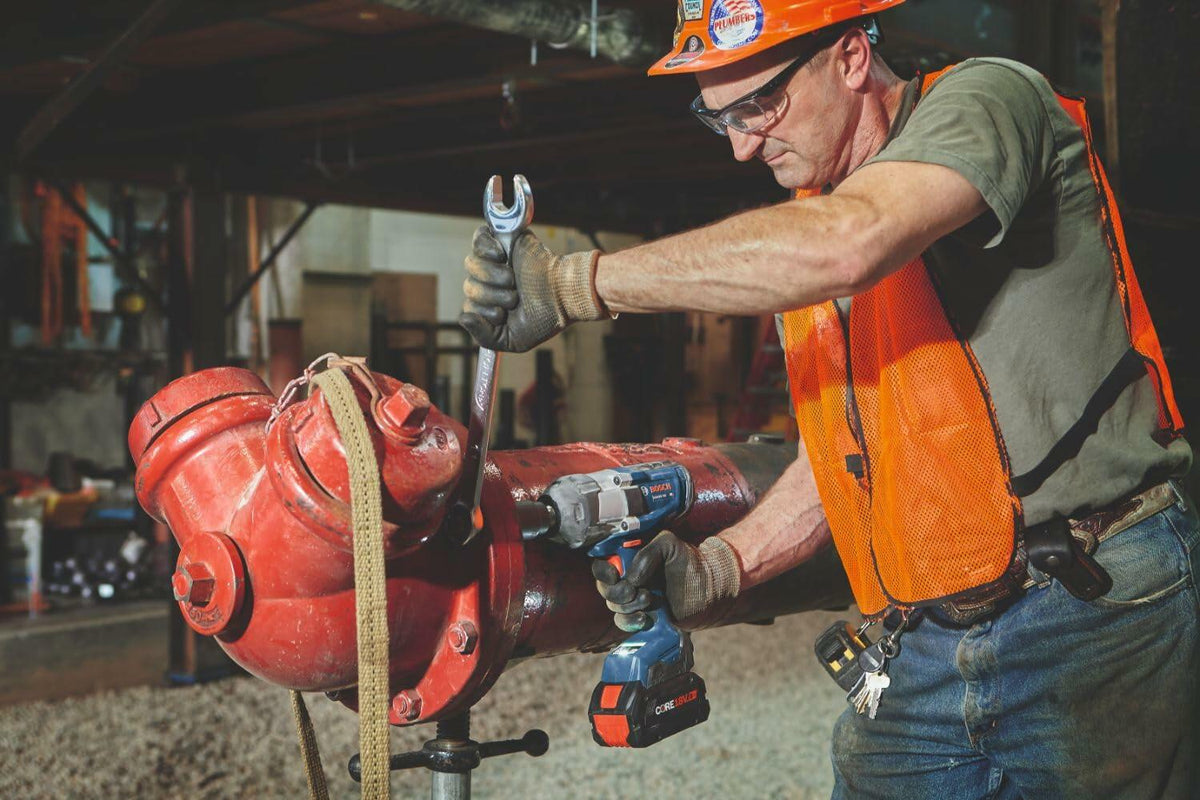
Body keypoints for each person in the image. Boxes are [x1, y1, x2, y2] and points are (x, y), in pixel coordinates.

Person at [459, 1, 1198, 797]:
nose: (743, 144)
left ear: (849, 57)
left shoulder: (989, 99)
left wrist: (578, 284)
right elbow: (855, 455)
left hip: (1090, 616)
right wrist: (721, 568)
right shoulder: (812, 221)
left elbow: (855, 241)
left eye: (758, 105)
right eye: (719, 120)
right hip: (922, 638)